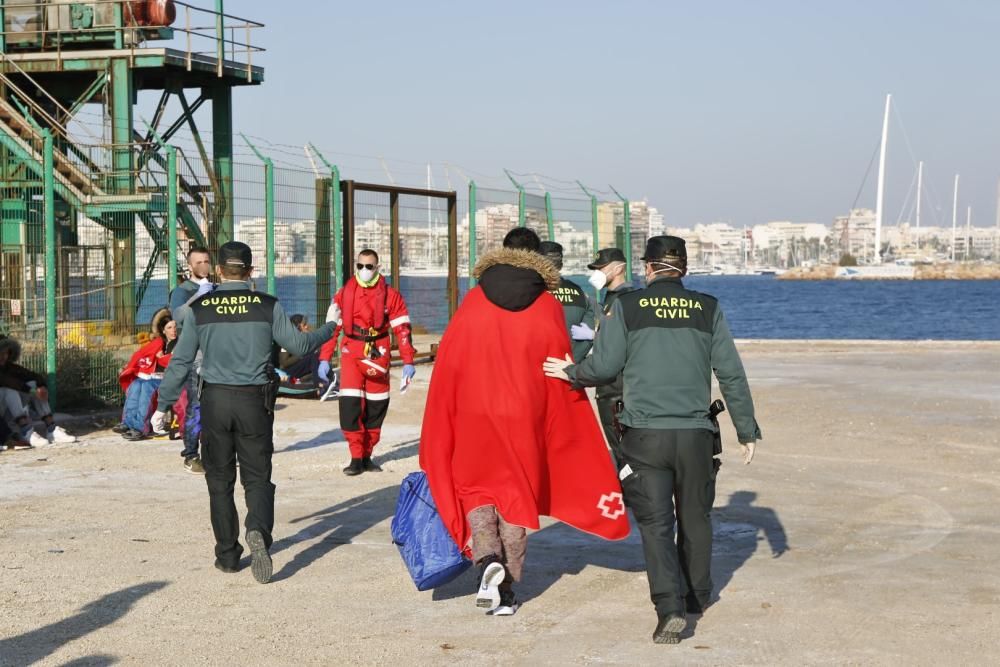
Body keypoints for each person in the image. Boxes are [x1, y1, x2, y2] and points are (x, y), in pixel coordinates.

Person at [544, 235, 761, 645]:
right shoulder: (708, 308)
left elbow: (605, 367)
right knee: (696, 519)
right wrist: (746, 430)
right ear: (684, 268)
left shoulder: (627, 306)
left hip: (644, 436)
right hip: (697, 435)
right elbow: (731, 373)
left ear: (646, 268)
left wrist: (570, 372)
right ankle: (697, 595)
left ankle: (669, 610)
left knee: (656, 524)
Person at [420, 228, 630, 617]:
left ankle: (486, 562)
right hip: (524, 412)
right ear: (537, 258)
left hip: (474, 411)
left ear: (502, 252)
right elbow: (557, 360)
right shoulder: (548, 303)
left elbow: (451, 356)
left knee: (477, 489)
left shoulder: (475, 299)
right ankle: (509, 587)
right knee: (516, 493)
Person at [151, 241, 336, 584]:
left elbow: (180, 361)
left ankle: (227, 554)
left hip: (215, 402)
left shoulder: (200, 308)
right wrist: (330, 326)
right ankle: (258, 532)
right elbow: (299, 346)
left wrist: (163, 405)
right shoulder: (268, 306)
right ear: (251, 272)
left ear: (218, 270)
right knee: (257, 477)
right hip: (255, 402)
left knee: (219, 481)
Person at [316, 249, 416, 476]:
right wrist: (324, 358)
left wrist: (408, 360)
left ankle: (368, 454)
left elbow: (402, 330)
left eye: (369, 266)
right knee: (350, 406)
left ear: (378, 268)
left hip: (378, 352)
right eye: (360, 266)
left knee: (377, 405)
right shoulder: (343, 294)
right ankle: (355, 457)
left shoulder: (392, 296)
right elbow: (332, 329)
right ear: (355, 266)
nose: (364, 270)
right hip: (351, 351)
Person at [585, 248, 637, 458]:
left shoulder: (627, 298)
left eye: (601, 268)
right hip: (609, 389)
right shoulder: (611, 298)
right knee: (619, 453)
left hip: (619, 391)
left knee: (626, 454)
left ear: (618, 269)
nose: (597, 273)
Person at [168, 246, 214, 474]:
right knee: (196, 407)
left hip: (215, 355)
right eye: (198, 262)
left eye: (206, 260)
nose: (203, 265)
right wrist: (201, 295)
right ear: (189, 266)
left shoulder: (216, 289)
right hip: (194, 357)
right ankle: (191, 454)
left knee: (216, 406)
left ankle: (212, 452)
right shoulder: (182, 291)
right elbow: (179, 316)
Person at [0, 336, 78, 448]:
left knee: (33, 383)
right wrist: (32, 391)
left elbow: (33, 376)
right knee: (8, 391)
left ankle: (52, 429)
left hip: (8, 413)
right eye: (0, 353)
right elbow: (8, 381)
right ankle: (26, 432)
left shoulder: (9, 367)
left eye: (5, 353)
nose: (3, 356)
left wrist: (41, 386)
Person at [116, 309, 177, 440]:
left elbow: (176, 361)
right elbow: (141, 355)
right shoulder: (158, 343)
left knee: (146, 388)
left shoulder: (179, 343)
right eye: (169, 327)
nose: (173, 330)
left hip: (168, 379)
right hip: (152, 377)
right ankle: (128, 423)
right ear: (163, 330)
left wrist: (162, 358)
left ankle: (140, 428)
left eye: (175, 327)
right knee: (136, 386)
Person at [537, 241, 596, 363]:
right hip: (569, 366)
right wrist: (570, 361)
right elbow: (587, 336)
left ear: (537, 263)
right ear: (561, 264)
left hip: (538, 365)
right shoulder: (579, 292)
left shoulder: (532, 291)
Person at [279, 314, 321, 384]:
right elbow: (284, 363)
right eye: (304, 325)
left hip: (299, 369)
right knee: (312, 356)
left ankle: (325, 380)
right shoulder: (288, 340)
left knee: (317, 356)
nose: (307, 326)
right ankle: (318, 384)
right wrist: (302, 354)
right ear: (298, 327)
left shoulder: (305, 338)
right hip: (287, 372)